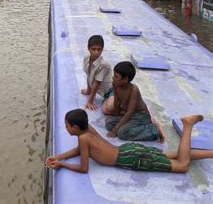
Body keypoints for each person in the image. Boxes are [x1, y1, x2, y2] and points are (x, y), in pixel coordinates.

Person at [45, 109, 212, 174]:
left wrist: (62, 165)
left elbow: (83, 168)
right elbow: (79, 150)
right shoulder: (88, 129)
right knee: (176, 155)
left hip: (130, 158)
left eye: (67, 126)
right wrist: (59, 156)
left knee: (182, 165)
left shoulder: (83, 139)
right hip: (128, 149)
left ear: (74, 127)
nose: (66, 129)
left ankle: (188, 125)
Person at [105, 61, 163, 141]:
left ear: (125, 79)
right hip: (128, 115)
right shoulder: (115, 84)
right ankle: (130, 126)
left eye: (116, 76)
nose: (113, 78)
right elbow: (117, 103)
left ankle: (154, 130)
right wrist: (116, 118)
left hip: (140, 116)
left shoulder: (133, 90)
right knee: (109, 123)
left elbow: (130, 111)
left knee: (122, 133)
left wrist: (115, 130)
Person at [81, 35, 114, 113]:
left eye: (99, 49)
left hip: (111, 91)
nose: (96, 52)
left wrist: (90, 101)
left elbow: (96, 84)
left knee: (107, 109)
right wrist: (88, 90)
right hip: (103, 93)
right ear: (88, 48)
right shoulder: (86, 59)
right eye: (93, 49)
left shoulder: (103, 65)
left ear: (102, 49)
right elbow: (88, 75)